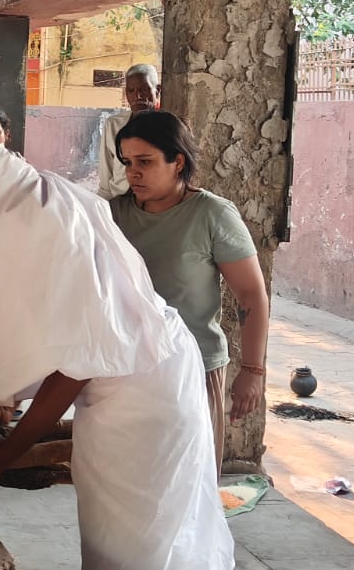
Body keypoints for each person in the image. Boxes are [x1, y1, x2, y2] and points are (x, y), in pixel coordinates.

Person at [0, 119, 231, 570]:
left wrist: (7, 454)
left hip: (142, 390)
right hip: (132, 376)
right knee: (119, 532)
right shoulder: (25, 195)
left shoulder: (29, 219)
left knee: (140, 540)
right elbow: (46, 321)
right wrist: (6, 396)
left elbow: (79, 359)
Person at [109, 110, 268, 479]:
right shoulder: (113, 214)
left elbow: (250, 295)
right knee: (132, 479)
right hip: (127, 366)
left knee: (188, 482)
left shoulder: (212, 214)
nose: (133, 172)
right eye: (128, 162)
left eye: (145, 162)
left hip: (195, 367)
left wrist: (253, 370)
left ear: (177, 161)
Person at [97, 63, 160, 199]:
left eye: (144, 89)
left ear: (157, 91)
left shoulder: (168, 127)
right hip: (119, 199)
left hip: (152, 202)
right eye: (131, 90)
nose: (137, 95)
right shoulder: (113, 125)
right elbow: (106, 172)